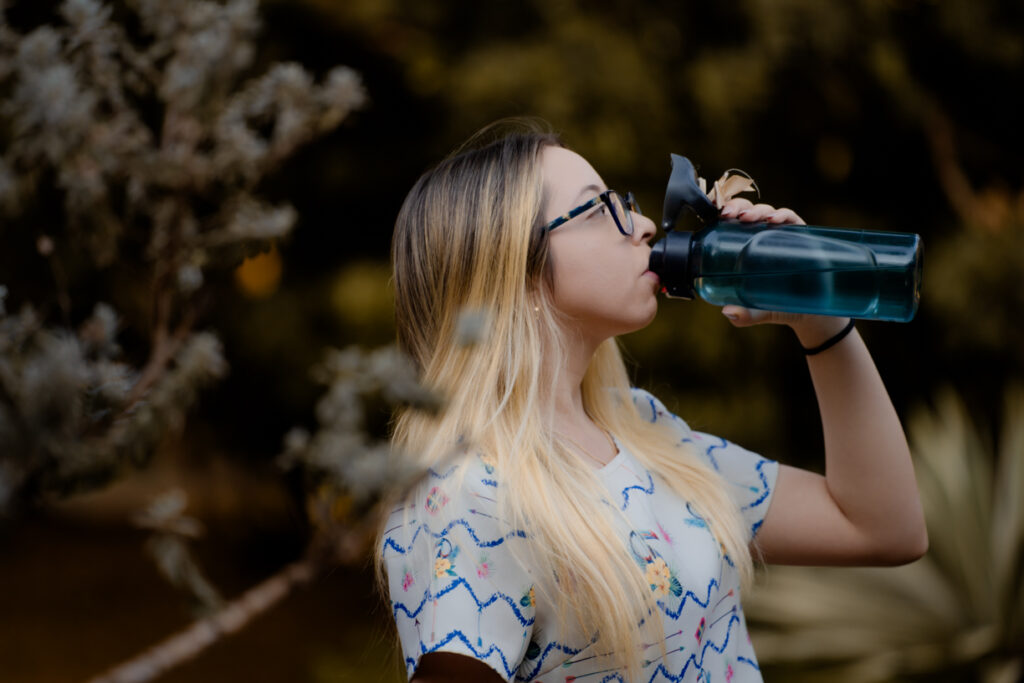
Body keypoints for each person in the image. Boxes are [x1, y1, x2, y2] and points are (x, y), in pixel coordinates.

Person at [376, 120, 927, 683]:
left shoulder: (643, 429)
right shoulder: (465, 495)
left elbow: (883, 529)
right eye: (599, 210)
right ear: (515, 271)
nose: (641, 224)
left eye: (626, 204)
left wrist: (820, 314)